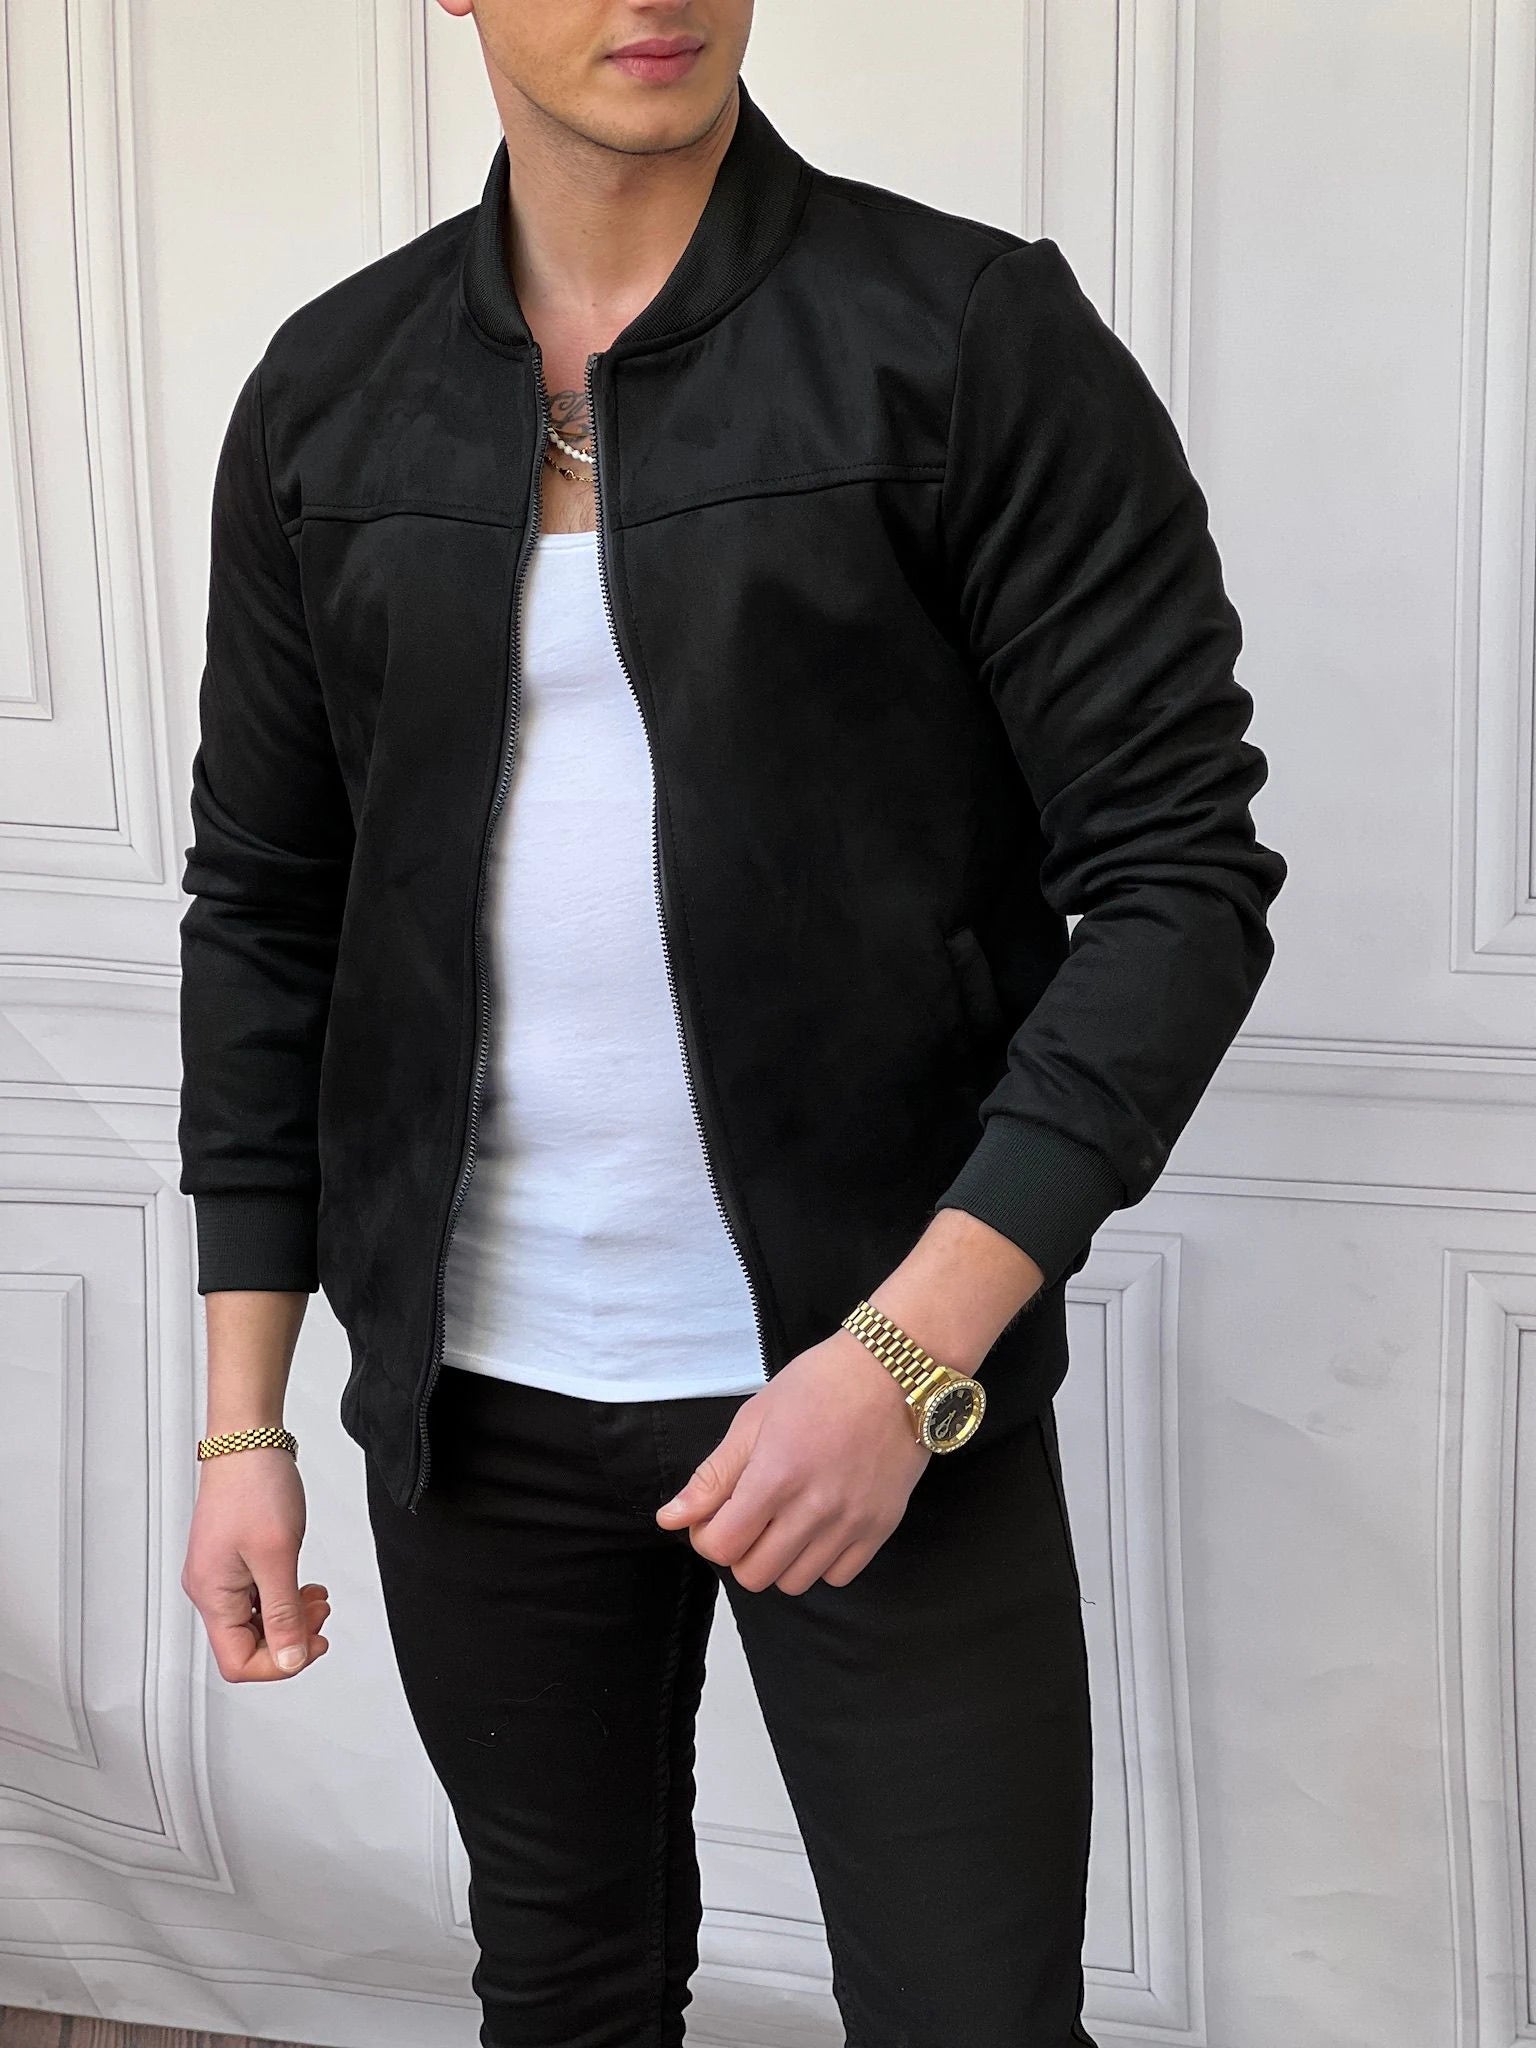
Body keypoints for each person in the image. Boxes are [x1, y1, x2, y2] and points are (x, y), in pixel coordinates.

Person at [175, 4, 1287, 2044]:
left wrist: (904, 1358)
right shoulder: (331, 396)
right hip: (475, 1415)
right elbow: (266, 912)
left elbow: (1179, 878)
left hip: (888, 1388)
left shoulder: (961, 341)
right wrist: (246, 1420)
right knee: (566, 1991)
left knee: (973, 2016)